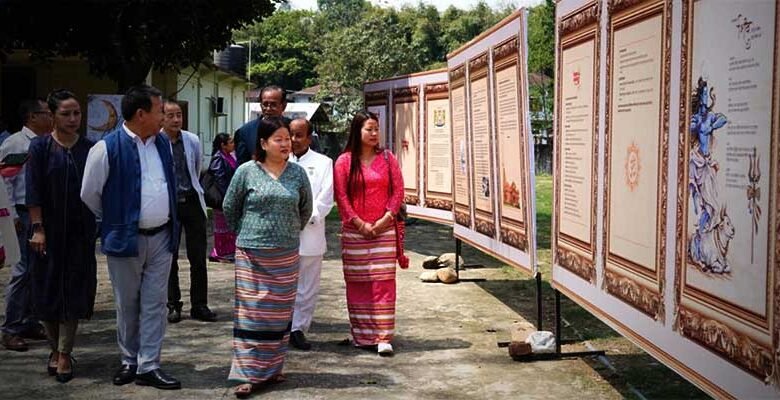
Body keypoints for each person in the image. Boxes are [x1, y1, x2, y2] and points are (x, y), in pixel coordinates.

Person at [81, 85, 182, 390]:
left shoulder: (162, 143)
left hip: (162, 237)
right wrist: (118, 220)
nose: (164, 116)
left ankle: (149, 364)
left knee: (155, 302)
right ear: (141, 114)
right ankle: (129, 360)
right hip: (126, 240)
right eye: (159, 110)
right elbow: (89, 194)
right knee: (127, 303)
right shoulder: (106, 148)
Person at [222, 116, 312, 398]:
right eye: (279, 139)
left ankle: (272, 369)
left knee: (278, 315)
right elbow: (229, 207)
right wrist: (247, 232)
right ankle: (247, 373)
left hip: (285, 254)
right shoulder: (247, 171)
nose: (286, 144)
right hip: (251, 254)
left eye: (288, 139)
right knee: (251, 316)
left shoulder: (297, 174)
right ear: (263, 143)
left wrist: (285, 231)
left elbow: (305, 209)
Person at [26, 90, 97, 383]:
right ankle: (53, 348)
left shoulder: (90, 149)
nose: (73, 119)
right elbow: (33, 191)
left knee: (74, 291)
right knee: (47, 290)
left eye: (77, 113)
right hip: (48, 232)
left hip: (80, 233)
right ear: (52, 115)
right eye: (66, 114)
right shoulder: (41, 148)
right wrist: (38, 228)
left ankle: (65, 353)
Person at [333, 110, 404, 355]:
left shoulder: (388, 158)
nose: (374, 134)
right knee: (358, 282)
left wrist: (385, 219)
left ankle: (383, 336)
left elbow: (398, 192)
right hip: (355, 232)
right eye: (369, 129)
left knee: (383, 282)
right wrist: (360, 224)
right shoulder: (343, 161)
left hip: (384, 232)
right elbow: (341, 196)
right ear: (357, 131)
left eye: (376, 129)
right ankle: (362, 335)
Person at [0, 98, 52, 351]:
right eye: (46, 113)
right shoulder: (15, 144)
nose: (50, 117)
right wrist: (11, 217)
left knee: (37, 271)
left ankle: (30, 321)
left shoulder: (46, 142)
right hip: (21, 214)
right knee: (21, 272)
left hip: (41, 214)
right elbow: (5, 182)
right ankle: (10, 329)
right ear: (32, 117)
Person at [160, 99, 217, 324]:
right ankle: (173, 304)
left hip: (192, 200)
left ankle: (199, 304)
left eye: (179, 115)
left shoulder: (191, 140)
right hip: (168, 204)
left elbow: (195, 170)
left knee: (198, 256)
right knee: (169, 257)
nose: (176, 120)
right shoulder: (156, 142)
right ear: (161, 117)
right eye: (171, 115)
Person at [288, 118, 333, 351]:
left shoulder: (323, 163)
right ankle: (282, 326)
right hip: (283, 234)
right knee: (285, 284)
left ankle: (299, 328)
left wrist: (304, 217)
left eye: (299, 135)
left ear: (309, 137)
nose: (294, 140)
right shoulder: (279, 160)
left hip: (311, 232)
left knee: (307, 287)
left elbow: (325, 199)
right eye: (290, 135)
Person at [234, 85, 288, 165]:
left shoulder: (293, 128)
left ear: (283, 106)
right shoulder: (245, 132)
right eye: (265, 104)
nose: (268, 109)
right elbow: (242, 165)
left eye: (273, 104)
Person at [208, 133, 238, 263]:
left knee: (229, 226)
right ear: (223, 145)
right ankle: (220, 252)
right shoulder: (218, 158)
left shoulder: (229, 156)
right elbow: (220, 179)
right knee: (222, 227)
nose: (233, 144)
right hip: (222, 197)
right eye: (230, 142)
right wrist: (227, 196)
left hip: (230, 195)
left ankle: (228, 251)